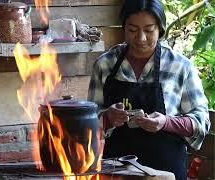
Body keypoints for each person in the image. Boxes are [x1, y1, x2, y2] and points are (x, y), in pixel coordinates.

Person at [87, 0, 210, 179]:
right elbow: (88, 121)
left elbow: (201, 122)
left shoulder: (180, 66)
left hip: (166, 172)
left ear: (160, 29)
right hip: (115, 172)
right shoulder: (105, 64)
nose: (141, 38)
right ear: (124, 28)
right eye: (133, 30)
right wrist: (107, 118)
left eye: (149, 30)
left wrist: (166, 123)